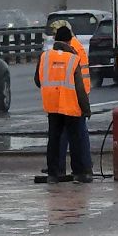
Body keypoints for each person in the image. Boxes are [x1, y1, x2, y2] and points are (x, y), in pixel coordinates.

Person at [36, 24, 93, 184]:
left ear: (55, 40)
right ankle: (79, 173)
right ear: (69, 41)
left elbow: (37, 80)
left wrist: (51, 89)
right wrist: (86, 109)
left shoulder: (45, 57)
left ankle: (53, 174)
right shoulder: (73, 59)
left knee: (54, 139)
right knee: (76, 140)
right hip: (70, 105)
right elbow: (80, 89)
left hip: (52, 105)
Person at [52, 19, 95, 167]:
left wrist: (85, 106)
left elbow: (72, 76)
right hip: (73, 93)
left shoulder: (70, 49)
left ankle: (76, 166)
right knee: (74, 132)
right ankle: (81, 166)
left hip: (74, 94)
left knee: (74, 133)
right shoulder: (74, 46)